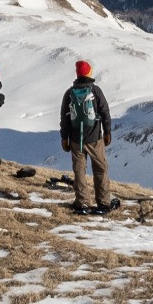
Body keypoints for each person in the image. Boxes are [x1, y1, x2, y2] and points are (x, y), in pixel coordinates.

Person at [59, 59, 117, 213]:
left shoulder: (69, 93)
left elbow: (64, 118)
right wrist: (108, 132)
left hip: (76, 139)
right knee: (100, 169)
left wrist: (64, 138)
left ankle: (82, 202)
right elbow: (105, 112)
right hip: (95, 138)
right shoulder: (96, 91)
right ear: (89, 73)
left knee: (79, 171)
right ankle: (104, 202)